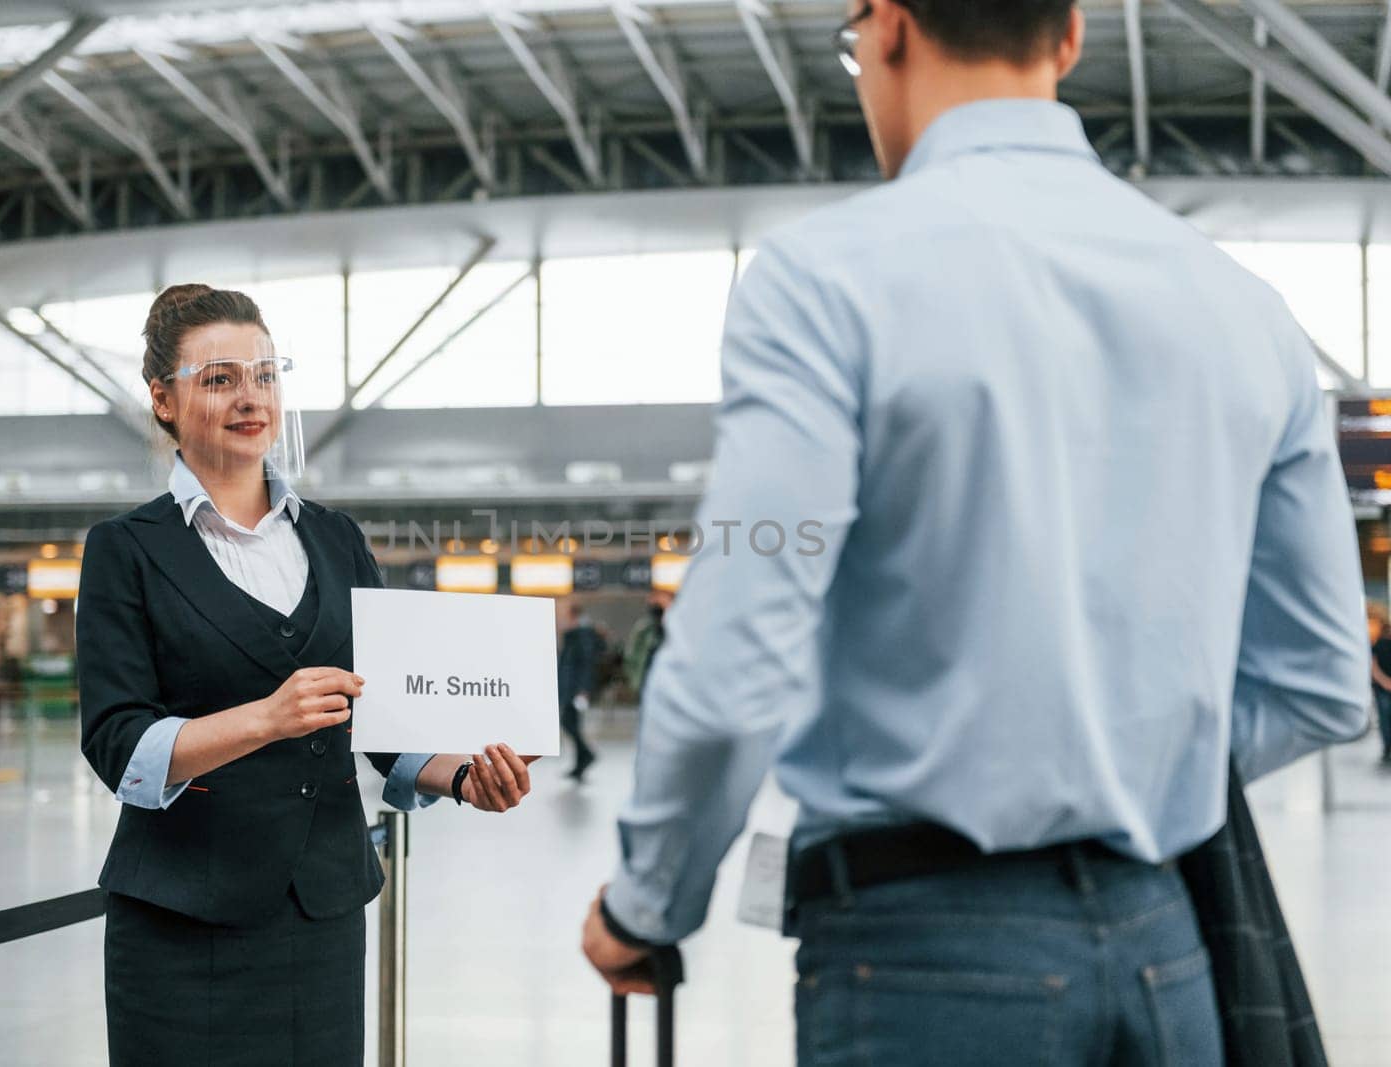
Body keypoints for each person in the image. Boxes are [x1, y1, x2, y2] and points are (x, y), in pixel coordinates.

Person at [579, 2, 1369, 1063]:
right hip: (1170, 948)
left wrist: (645, 903)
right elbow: (1322, 682)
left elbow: (732, 666)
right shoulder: (1244, 308)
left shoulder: (823, 282)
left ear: (888, 29)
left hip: (922, 955)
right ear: (1070, 37)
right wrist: (1118, 756)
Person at [77, 284, 540, 1067]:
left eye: (264, 373)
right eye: (219, 378)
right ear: (163, 399)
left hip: (322, 914)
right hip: (181, 925)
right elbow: (119, 744)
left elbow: (383, 713)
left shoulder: (334, 538)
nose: (250, 395)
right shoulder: (126, 549)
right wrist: (266, 716)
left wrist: (462, 775)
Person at [557, 601, 605, 780]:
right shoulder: (574, 634)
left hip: (575, 688)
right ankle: (580, 762)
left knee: (569, 723)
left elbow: (585, 664)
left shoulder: (581, 635)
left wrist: (583, 689)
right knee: (572, 724)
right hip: (570, 687)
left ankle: (586, 755)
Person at [621, 590, 673, 699]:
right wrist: (634, 677)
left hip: (666, 681)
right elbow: (631, 656)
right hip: (646, 678)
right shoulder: (644, 629)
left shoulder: (673, 628)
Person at [1370, 603, 1391, 763]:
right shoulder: (1379, 645)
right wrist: (1385, 682)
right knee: (1384, 719)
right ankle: (1387, 748)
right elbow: (1373, 666)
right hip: (1382, 687)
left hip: (1384, 685)